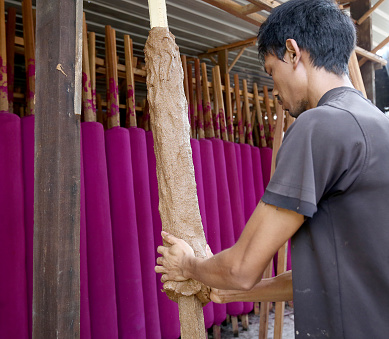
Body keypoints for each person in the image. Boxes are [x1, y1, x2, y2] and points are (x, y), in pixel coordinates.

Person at [155, 0, 389, 337]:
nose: (274, 90)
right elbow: (338, 276)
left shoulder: (319, 125)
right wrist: (230, 291)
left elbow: (240, 267)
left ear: (293, 53)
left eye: (270, 71)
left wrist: (188, 265)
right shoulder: (377, 125)